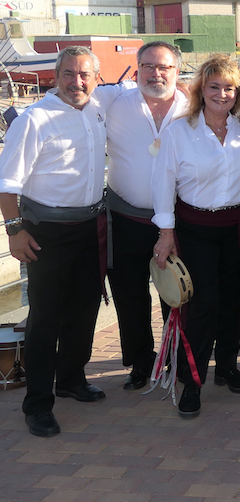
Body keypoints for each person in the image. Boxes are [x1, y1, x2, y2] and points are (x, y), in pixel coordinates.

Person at [152, 54, 240, 419]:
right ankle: (192, 381)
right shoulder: (179, 131)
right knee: (203, 305)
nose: (221, 94)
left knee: (232, 301)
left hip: (237, 226)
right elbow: (163, 183)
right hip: (194, 229)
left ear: (238, 92)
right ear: (200, 90)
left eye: (229, 88)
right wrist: (165, 233)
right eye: (214, 87)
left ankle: (226, 366)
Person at [0, 47, 114, 437]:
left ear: (96, 79)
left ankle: (70, 379)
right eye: (68, 74)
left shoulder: (97, 109)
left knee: (83, 310)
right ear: (55, 76)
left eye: (84, 75)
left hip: (89, 226)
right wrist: (15, 231)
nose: (76, 82)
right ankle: (37, 404)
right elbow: (7, 183)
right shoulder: (34, 120)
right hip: (45, 232)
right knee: (44, 320)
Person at [105, 41, 187, 391]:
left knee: (177, 294)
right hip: (125, 217)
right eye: (148, 66)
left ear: (177, 71)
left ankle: (177, 359)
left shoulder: (193, 106)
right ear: (137, 69)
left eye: (164, 67)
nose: (156, 73)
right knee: (129, 296)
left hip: (177, 220)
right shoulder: (114, 103)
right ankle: (140, 363)